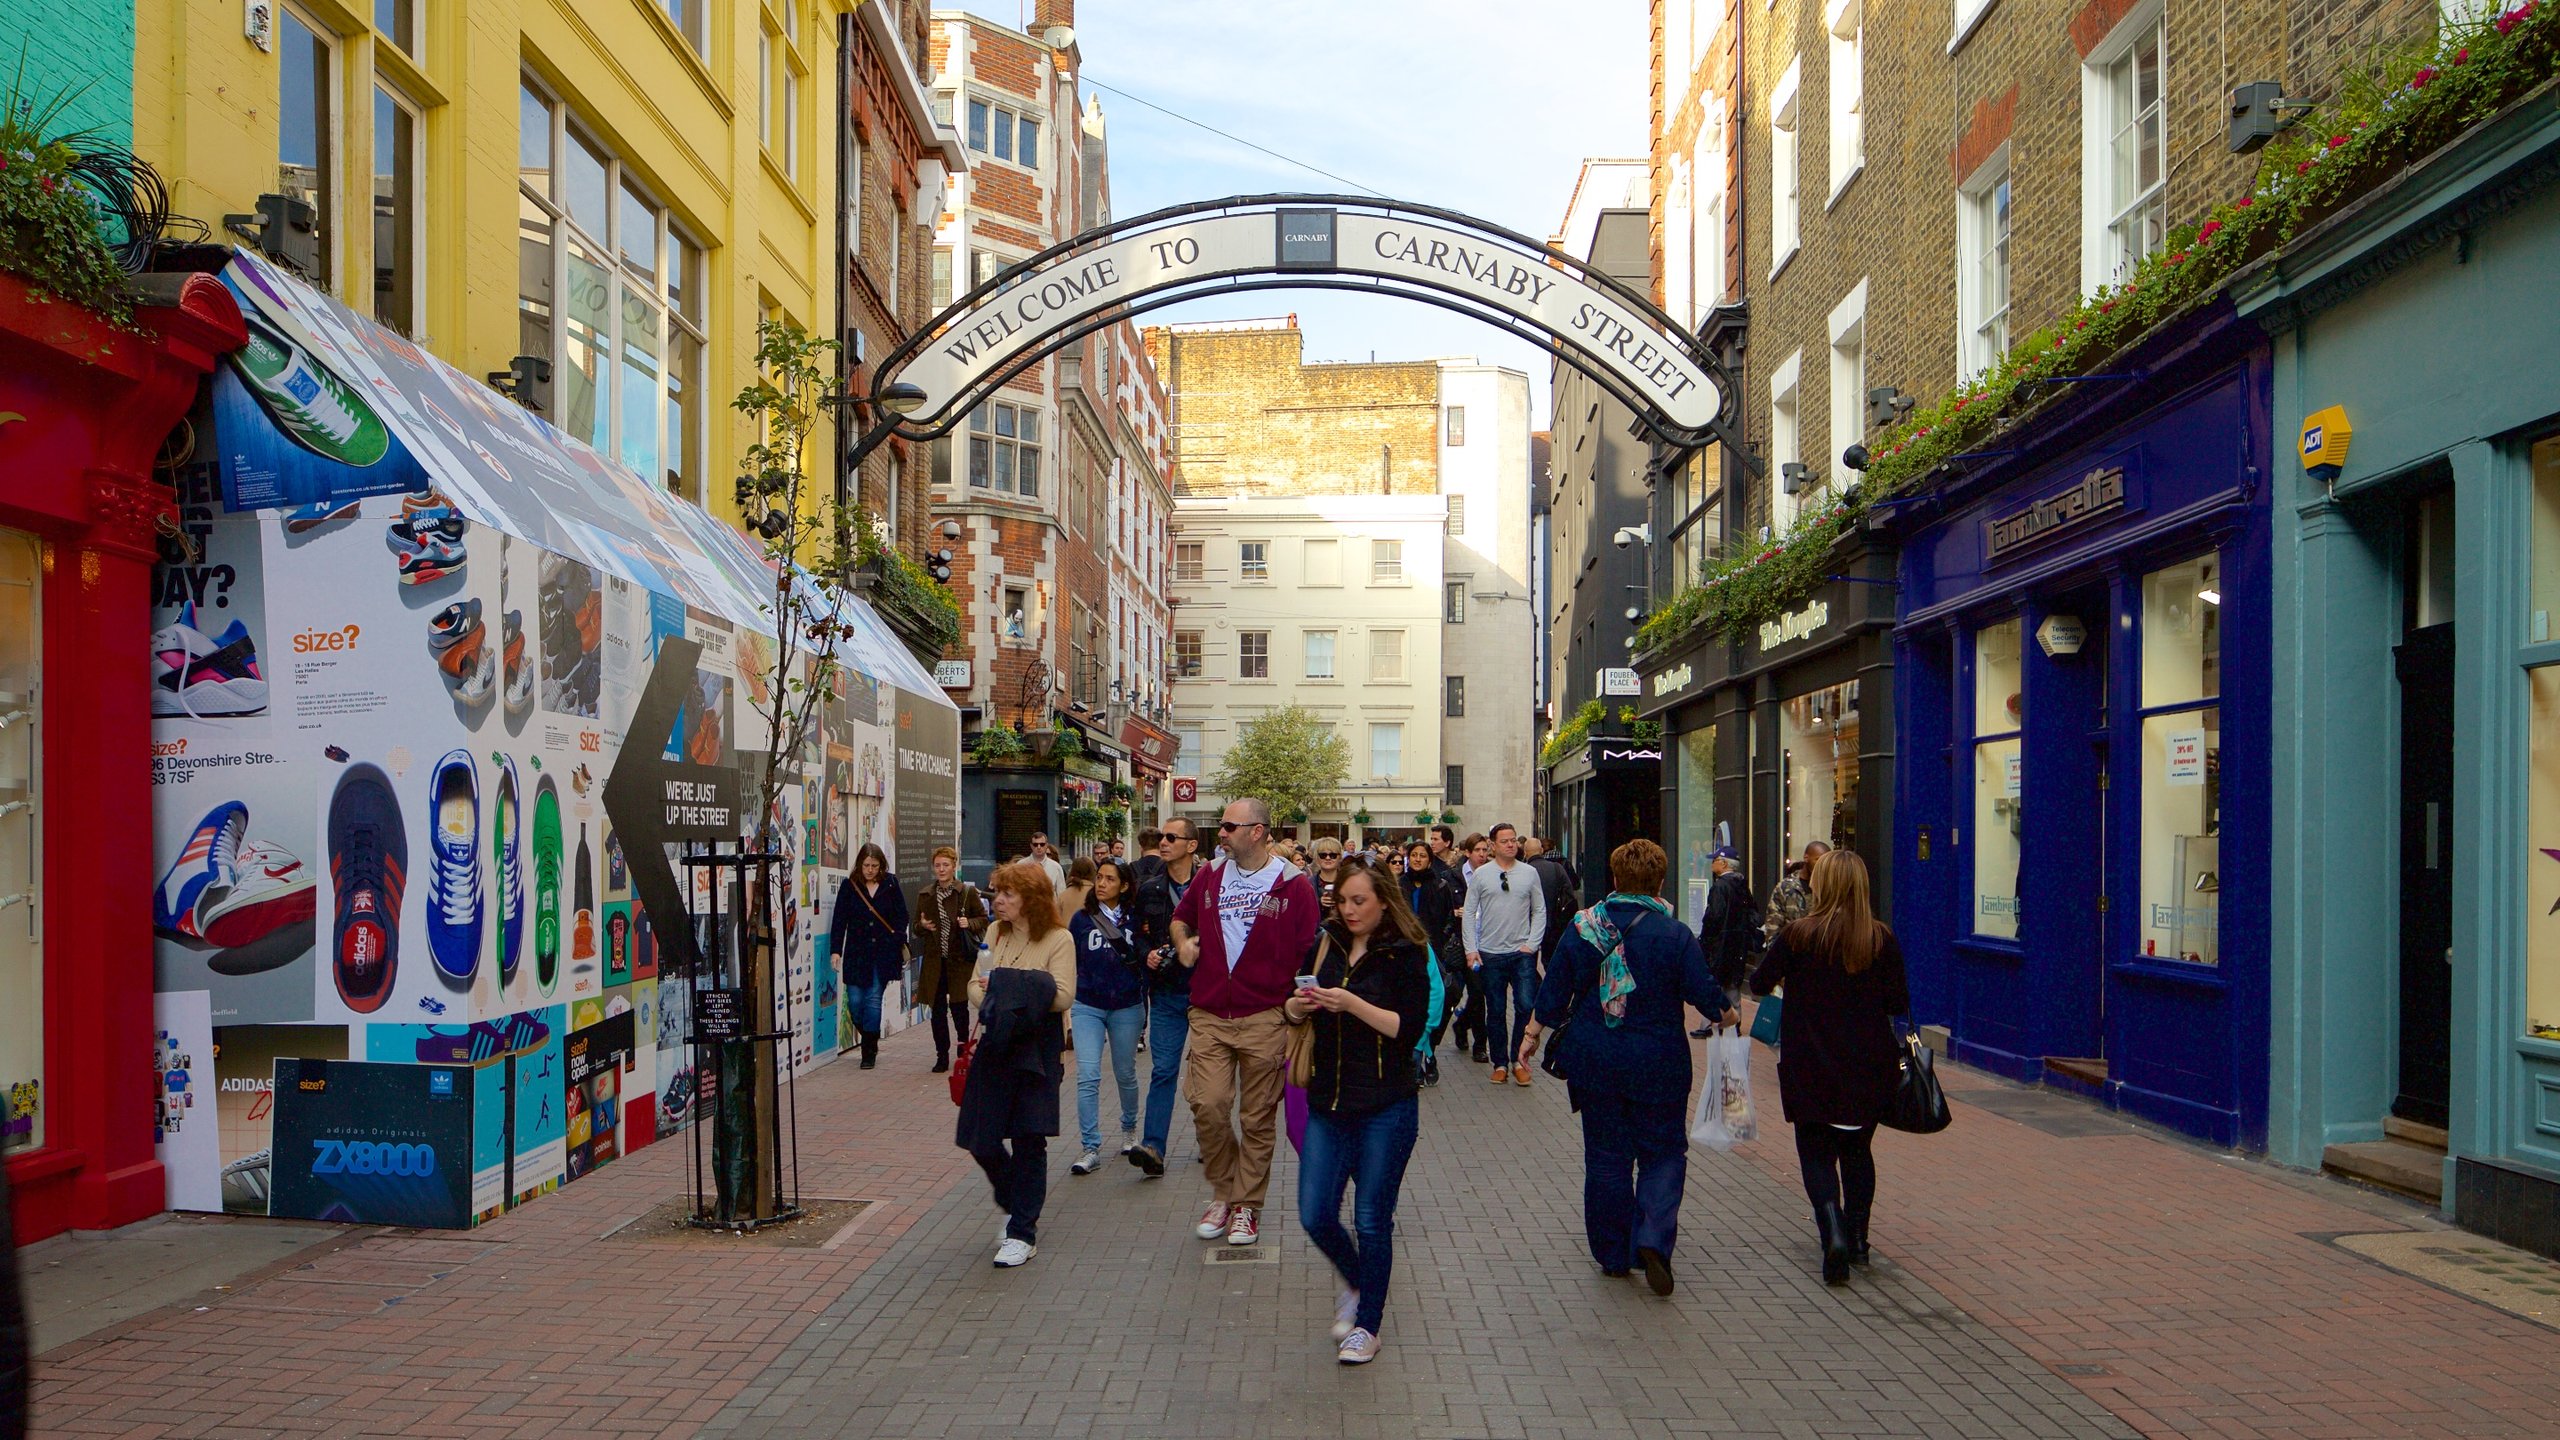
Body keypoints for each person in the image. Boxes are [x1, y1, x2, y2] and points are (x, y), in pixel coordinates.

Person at [1518, 839, 1734, 1296]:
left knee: (1606, 1159)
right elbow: (1705, 994)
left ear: (1615, 880)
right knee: (1663, 1153)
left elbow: (1554, 992)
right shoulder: (1674, 935)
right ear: (1659, 882)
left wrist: (1531, 1035)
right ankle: (1653, 1237)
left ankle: (1613, 1255)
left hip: (1596, 1060)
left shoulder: (1583, 927)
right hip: (1660, 1062)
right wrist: (1727, 1015)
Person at [1289, 862, 1434, 1364]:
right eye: (1341, 900)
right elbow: (1292, 1003)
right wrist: (1298, 1007)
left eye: (1358, 901)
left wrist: (1350, 1003)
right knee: (1314, 1214)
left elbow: (1409, 1029)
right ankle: (1359, 1280)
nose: (1348, 910)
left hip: (1386, 1104)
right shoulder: (1326, 940)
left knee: (1372, 1219)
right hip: (1328, 1100)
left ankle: (1368, 1326)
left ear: (1383, 901)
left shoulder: (1405, 952)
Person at [1751, 849, 1909, 1286]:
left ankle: (1832, 1228)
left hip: (1811, 1061)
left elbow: (1759, 982)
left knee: (1816, 1151)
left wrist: (1795, 980)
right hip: (1868, 1064)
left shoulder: (1800, 935)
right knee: (1858, 1150)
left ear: (1820, 885)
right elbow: (1898, 1003)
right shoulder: (1880, 938)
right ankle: (1858, 1240)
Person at [1169, 797, 1321, 1246]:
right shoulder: (1210, 875)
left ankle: (1246, 1207)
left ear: (1257, 831)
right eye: (1221, 826)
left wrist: (1295, 1008)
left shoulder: (1293, 885)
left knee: (1257, 1119)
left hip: (1265, 1016)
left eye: (1230, 826)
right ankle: (1224, 1190)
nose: (1221, 832)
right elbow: (1181, 919)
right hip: (1210, 1011)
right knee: (1208, 1104)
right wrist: (1183, 944)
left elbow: (1307, 951)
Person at [958, 862, 1075, 1267]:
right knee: (980, 1137)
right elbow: (976, 984)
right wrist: (994, 997)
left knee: (1029, 1139)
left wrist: (1009, 986)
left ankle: (1022, 1231)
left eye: (1007, 894)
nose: (999, 901)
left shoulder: (1059, 939)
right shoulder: (994, 932)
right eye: (997, 893)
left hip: (1038, 1050)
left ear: (1031, 899)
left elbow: (1062, 997)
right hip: (997, 1042)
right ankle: (1015, 1203)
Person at [1128, 818, 1203, 1175]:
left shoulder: (1210, 887)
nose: (1163, 842)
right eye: (1161, 836)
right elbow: (1136, 934)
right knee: (1163, 1070)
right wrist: (1148, 954)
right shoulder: (1150, 889)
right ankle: (1153, 1146)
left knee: (1207, 1076)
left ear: (1191, 845)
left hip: (1207, 994)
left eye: (1171, 837)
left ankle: (1211, 1142)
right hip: (1167, 993)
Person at [1067, 858, 1147, 1173]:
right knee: (1087, 1075)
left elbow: (1143, 954)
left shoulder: (1134, 919)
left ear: (1124, 885)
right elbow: (1070, 958)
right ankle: (1090, 1147)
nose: (1101, 883)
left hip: (1127, 1005)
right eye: (1099, 877)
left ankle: (1129, 1130)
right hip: (1087, 1004)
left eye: (1109, 879)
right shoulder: (1082, 919)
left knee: (1125, 1072)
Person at [1463, 823, 1546, 1087]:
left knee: (1524, 1005)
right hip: (1491, 952)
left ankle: (1518, 1060)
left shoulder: (1530, 873)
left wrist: (1532, 944)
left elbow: (1540, 910)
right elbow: (1469, 911)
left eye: (1513, 840)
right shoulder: (1482, 875)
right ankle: (1499, 1063)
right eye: (1505, 841)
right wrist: (1471, 949)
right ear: (1493, 845)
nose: (1511, 845)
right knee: (1496, 1010)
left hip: (1521, 951)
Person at [828, 843, 908, 1071]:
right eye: (866, 865)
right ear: (860, 864)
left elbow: (902, 916)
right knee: (854, 1003)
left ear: (881, 865)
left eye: (874, 865)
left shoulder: (891, 884)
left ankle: (867, 1052)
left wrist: (897, 937)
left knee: (873, 999)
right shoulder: (849, 886)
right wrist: (836, 950)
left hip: (883, 952)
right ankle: (870, 1038)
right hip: (857, 952)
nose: (870, 870)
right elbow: (839, 920)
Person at [910, 846, 987, 1073]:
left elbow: (983, 918)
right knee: (937, 1010)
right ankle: (941, 1054)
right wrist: (922, 926)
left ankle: (963, 1048)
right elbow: (916, 926)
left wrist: (968, 923)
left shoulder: (966, 893)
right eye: (937, 865)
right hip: (935, 961)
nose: (941, 869)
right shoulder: (926, 894)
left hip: (959, 960)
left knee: (959, 1007)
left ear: (954, 866)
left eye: (946, 865)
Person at [1695, 846, 1761, 1037]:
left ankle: (1711, 1022)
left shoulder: (1720, 886)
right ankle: (1734, 1021)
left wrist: (1705, 939)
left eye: (1715, 860)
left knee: (1715, 982)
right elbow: (1753, 915)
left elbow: (1714, 916)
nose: (1712, 863)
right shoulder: (1742, 885)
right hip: (1738, 943)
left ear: (1723, 863)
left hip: (1720, 944)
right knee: (1733, 983)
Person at [1763, 840, 1831, 944]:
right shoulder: (1786, 888)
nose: (1821, 865)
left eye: (1825, 862)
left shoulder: (1829, 888)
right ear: (1806, 858)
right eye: (1817, 860)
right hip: (1791, 952)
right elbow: (1773, 926)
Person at [1528, 837, 1581, 969]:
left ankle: (1537, 986)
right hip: (1554, 922)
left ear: (1525, 852)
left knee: (1528, 965)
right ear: (1540, 850)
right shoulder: (1557, 868)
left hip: (1528, 925)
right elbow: (1570, 893)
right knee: (1551, 962)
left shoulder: (1524, 871)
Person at [1311, 838, 1347, 921]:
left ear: (1340, 857)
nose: (1328, 858)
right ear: (1317, 858)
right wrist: (1319, 903)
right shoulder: (1309, 884)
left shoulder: (1348, 882)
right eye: (1323, 855)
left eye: (1333, 855)